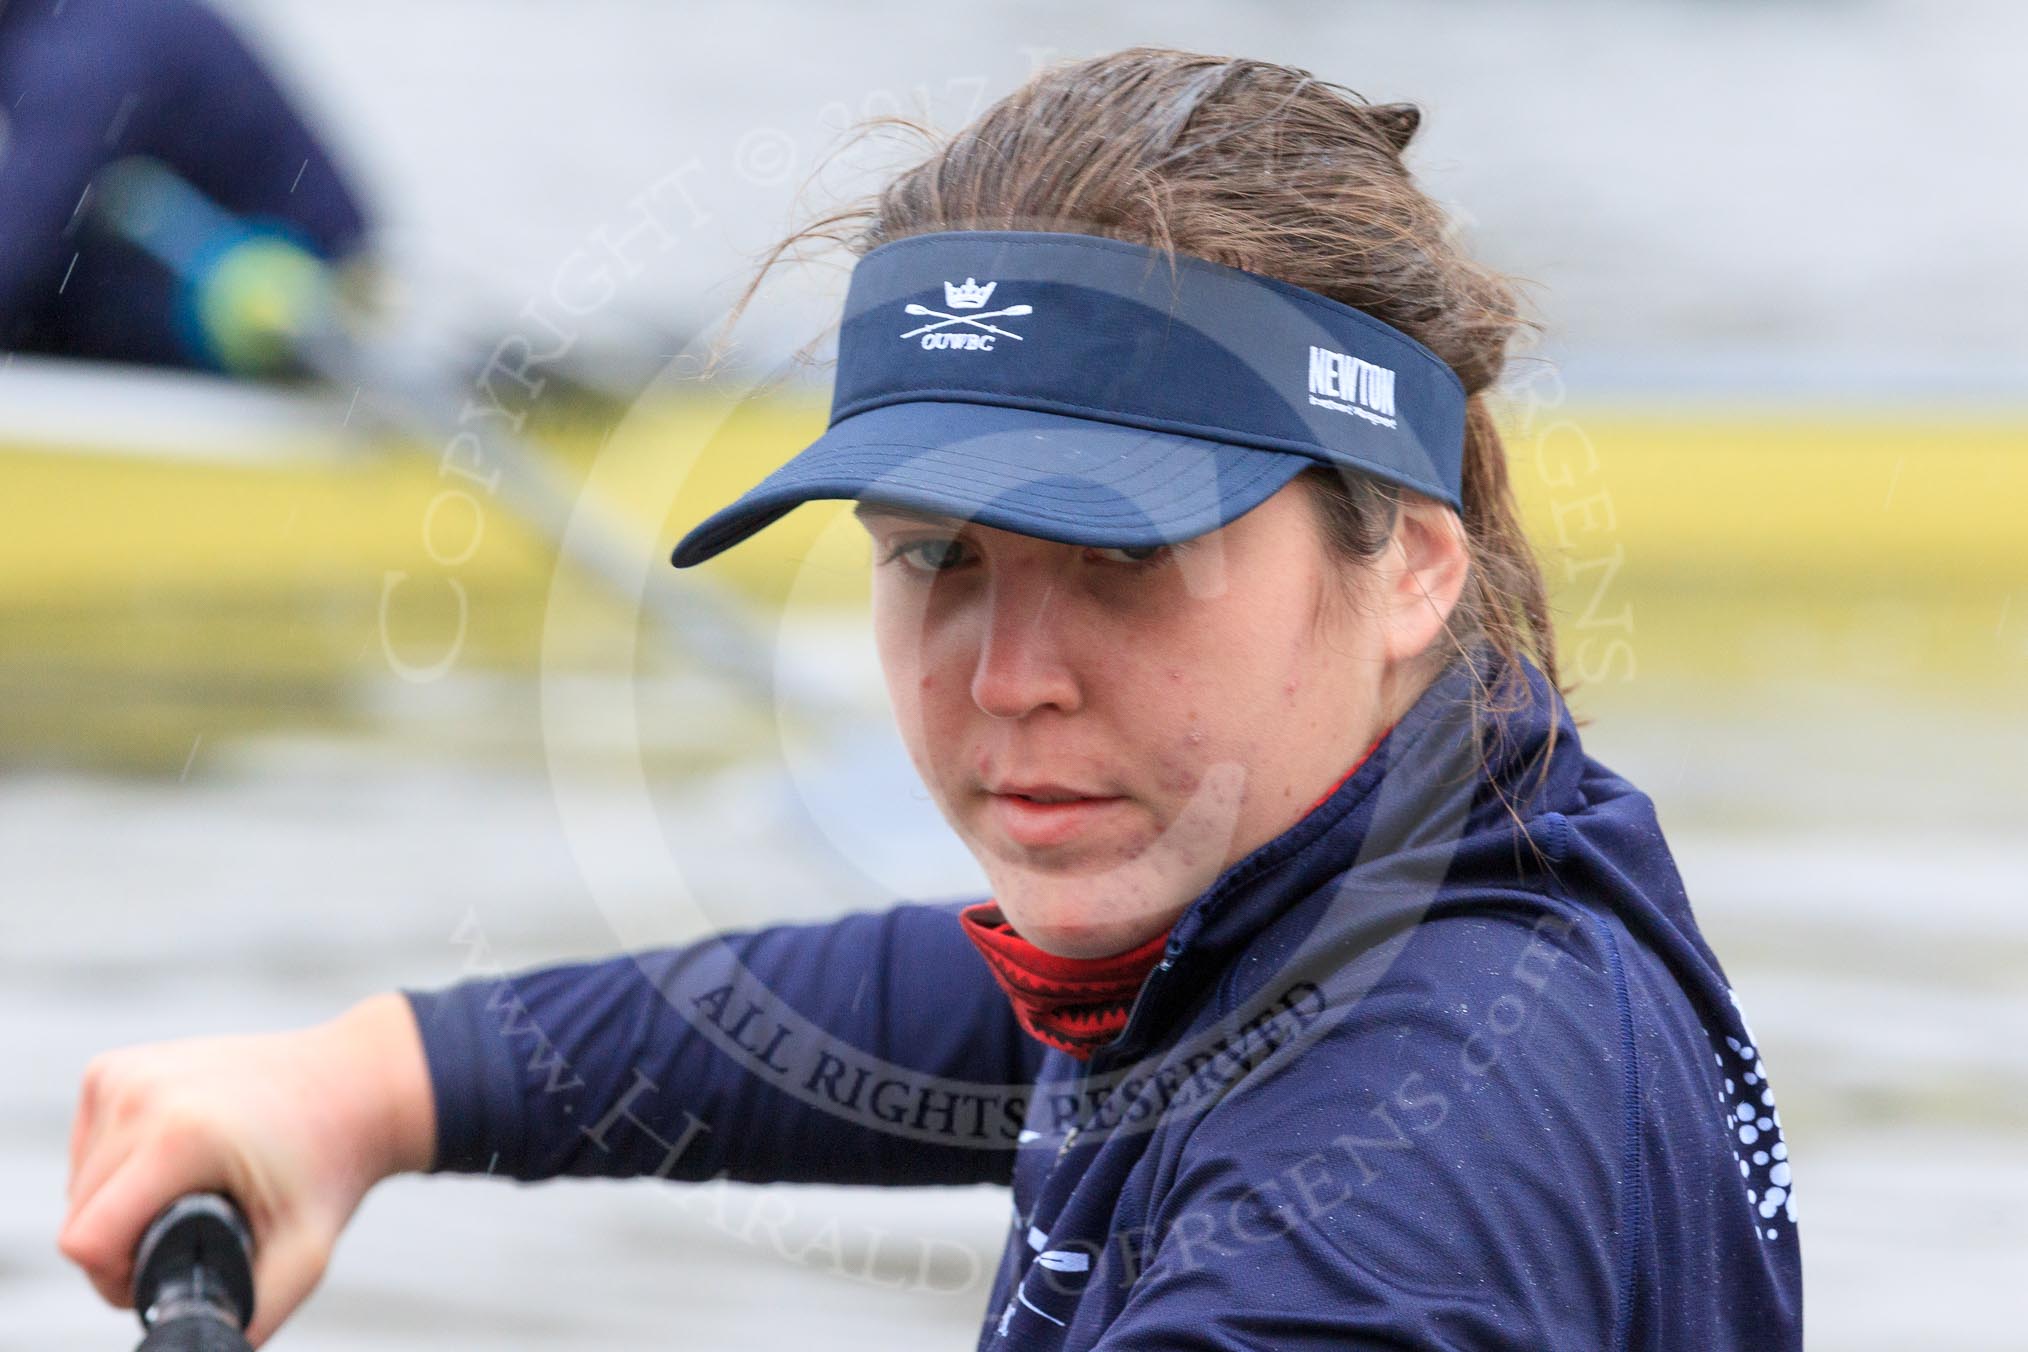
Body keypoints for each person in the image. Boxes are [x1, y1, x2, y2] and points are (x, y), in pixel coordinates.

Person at [59, 48, 1804, 1350]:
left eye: (1123, 561)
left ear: (1408, 565)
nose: (1006, 681)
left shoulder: (1400, 1177)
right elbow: (952, 1012)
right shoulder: (1345, 886)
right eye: (934, 559)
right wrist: (381, 1080)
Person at [0, 0, 371, 372]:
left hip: (284, 297)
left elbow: (30, 216)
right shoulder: (74, 22)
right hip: (265, 276)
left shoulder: (87, 36)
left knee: (57, 278)